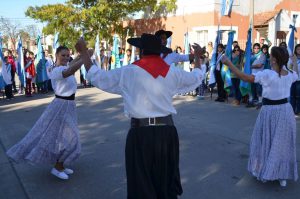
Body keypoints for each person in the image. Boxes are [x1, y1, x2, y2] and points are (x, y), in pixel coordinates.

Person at [75, 33, 206, 199]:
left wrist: (84, 53)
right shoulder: (173, 72)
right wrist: (197, 57)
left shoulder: (129, 72)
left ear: (141, 51)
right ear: (159, 52)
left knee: (141, 186)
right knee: (166, 185)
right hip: (167, 133)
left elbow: (97, 76)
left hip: (140, 134)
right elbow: (197, 76)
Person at [6, 46, 90, 180]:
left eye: (68, 55)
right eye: (63, 55)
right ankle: (57, 168)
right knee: (71, 138)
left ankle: (60, 165)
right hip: (61, 106)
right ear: (56, 55)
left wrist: (83, 54)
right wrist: (85, 56)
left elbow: (72, 64)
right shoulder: (56, 70)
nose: (66, 58)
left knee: (62, 137)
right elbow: (71, 70)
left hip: (68, 106)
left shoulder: (64, 66)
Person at [221, 46, 298, 187]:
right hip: (286, 111)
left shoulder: (267, 74)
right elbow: (297, 75)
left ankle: (268, 171)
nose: (269, 57)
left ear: (274, 59)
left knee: (265, 140)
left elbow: (244, 76)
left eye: (270, 55)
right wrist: (293, 61)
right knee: (281, 143)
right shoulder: (290, 73)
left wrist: (229, 63)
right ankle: (281, 174)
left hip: (270, 111)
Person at [247, 43, 265, 107]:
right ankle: (251, 101)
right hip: (251, 74)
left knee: (259, 89)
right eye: (255, 48)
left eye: (257, 48)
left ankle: (260, 102)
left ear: (259, 49)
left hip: (259, 75)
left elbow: (259, 65)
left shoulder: (262, 55)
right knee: (252, 89)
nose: (256, 49)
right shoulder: (251, 55)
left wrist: (251, 66)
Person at [290, 44, 300, 116]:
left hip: (299, 80)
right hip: (293, 79)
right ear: (295, 50)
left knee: (298, 96)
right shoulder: (293, 57)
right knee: (292, 96)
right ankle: (292, 110)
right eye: (298, 49)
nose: (299, 50)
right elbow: (289, 67)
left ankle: (298, 110)